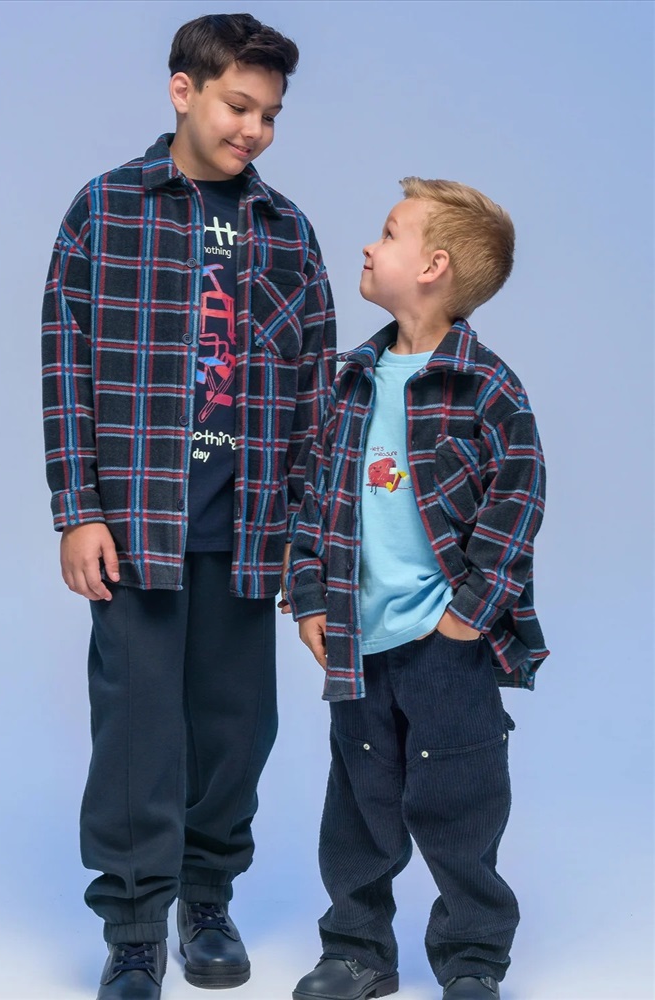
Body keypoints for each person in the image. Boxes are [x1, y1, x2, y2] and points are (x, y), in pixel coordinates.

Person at [41, 13, 336, 1000]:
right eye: (238, 106)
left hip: (250, 531)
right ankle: (134, 929)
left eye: (270, 115)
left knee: (235, 730)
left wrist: (306, 540)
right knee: (135, 735)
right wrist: (78, 508)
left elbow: (316, 394)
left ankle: (206, 898)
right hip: (136, 528)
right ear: (184, 90)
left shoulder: (288, 232)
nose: (254, 129)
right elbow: (65, 367)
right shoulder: (106, 209)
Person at [286, 178, 548, 1000]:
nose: (370, 245)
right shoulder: (349, 380)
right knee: (358, 808)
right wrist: (310, 598)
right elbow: (311, 495)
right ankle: (356, 950)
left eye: (390, 233)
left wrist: (470, 617)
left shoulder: (486, 386)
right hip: (360, 640)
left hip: (447, 646)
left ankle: (472, 958)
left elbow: (518, 501)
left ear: (433, 266)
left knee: (461, 806)